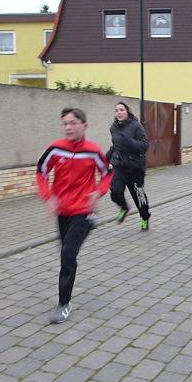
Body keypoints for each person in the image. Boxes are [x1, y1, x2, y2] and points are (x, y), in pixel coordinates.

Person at [36, 107, 112, 324]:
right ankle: (87, 227)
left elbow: (108, 173)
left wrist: (98, 192)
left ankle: (64, 303)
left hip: (83, 210)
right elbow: (41, 171)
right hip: (63, 211)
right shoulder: (55, 149)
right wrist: (48, 196)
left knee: (68, 253)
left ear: (84, 126)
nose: (68, 127)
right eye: (65, 123)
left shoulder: (93, 151)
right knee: (66, 253)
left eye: (73, 123)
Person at [107, 102, 151, 231]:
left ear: (127, 111)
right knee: (115, 191)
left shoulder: (136, 126)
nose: (119, 112)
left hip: (135, 168)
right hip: (120, 165)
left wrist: (129, 141)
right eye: (117, 110)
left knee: (139, 196)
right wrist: (105, 158)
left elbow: (145, 145)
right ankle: (124, 207)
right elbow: (115, 146)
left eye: (121, 110)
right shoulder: (113, 128)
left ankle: (145, 217)